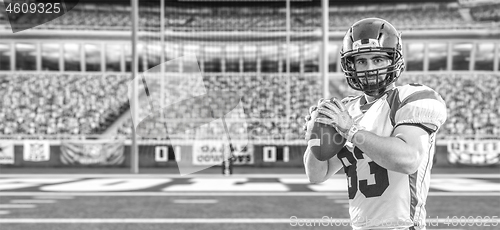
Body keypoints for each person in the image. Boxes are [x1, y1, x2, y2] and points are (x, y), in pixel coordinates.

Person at [303, 18, 447, 230]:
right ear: (350, 66)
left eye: (378, 59)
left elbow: (408, 160)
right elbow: (317, 174)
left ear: (393, 60)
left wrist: (351, 131)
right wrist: (314, 137)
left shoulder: (412, 97)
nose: (369, 68)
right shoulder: (346, 110)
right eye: (361, 61)